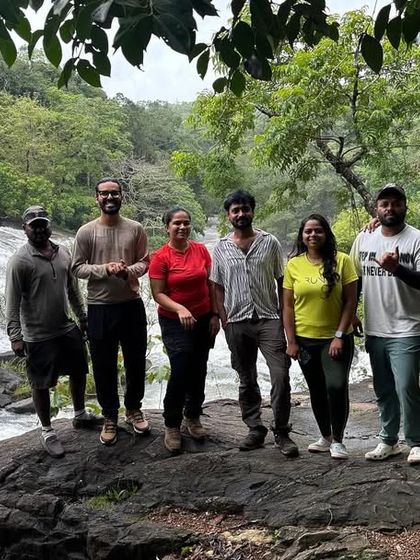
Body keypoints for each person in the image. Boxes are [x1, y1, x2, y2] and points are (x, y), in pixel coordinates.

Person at [5, 206, 98, 458]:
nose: (38, 229)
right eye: (33, 225)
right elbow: (11, 302)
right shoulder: (19, 261)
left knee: (79, 369)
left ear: (49, 225)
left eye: (42, 224)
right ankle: (47, 431)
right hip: (37, 333)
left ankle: (79, 414)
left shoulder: (63, 253)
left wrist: (83, 318)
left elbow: (73, 291)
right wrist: (15, 335)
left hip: (66, 326)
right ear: (25, 228)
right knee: (40, 383)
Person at [210, 190, 298, 456]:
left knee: (280, 375)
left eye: (245, 209)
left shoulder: (269, 243)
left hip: (269, 318)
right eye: (235, 210)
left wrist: (285, 318)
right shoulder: (221, 247)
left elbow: (282, 281)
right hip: (237, 321)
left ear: (252, 211)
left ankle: (282, 433)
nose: (240, 214)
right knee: (246, 378)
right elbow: (216, 286)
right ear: (228, 215)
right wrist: (224, 320)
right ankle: (255, 429)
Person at [72, 178, 150, 446]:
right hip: (100, 307)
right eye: (104, 194)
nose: (109, 198)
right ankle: (109, 416)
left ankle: (133, 409)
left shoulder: (135, 229)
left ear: (121, 197)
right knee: (103, 365)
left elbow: (144, 262)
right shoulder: (86, 232)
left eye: (114, 193)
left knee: (136, 361)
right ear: (96, 198)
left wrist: (129, 270)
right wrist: (105, 268)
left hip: (131, 304)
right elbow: (78, 268)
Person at [350, 183, 420, 464]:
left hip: (408, 326)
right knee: (384, 388)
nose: (389, 208)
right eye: (384, 204)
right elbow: (352, 278)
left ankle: (415, 440)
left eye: (395, 203)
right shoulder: (365, 238)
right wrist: (353, 311)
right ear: (376, 208)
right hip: (375, 327)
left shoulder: (415, 239)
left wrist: (397, 269)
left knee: (407, 386)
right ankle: (388, 440)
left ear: (405, 206)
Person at [283, 214, 358, 459]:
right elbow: (288, 306)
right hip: (305, 339)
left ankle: (338, 440)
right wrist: (291, 341)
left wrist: (339, 335)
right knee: (316, 389)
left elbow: (350, 301)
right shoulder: (294, 264)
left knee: (336, 386)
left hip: (335, 338)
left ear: (326, 234)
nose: (313, 235)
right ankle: (325, 436)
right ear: (302, 236)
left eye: (318, 231)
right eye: (308, 232)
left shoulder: (343, 261)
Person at [149, 208, 220, 453]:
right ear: (167, 227)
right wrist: (180, 309)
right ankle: (171, 424)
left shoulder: (200, 250)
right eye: (177, 223)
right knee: (180, 369)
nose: (182, 227)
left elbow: (210, 284)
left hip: (202, 318)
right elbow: (157, 293)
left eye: (186, 223)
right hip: (174, 321)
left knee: (199, 367)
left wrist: (215, 314)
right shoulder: (160, 257)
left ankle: (193, 415)